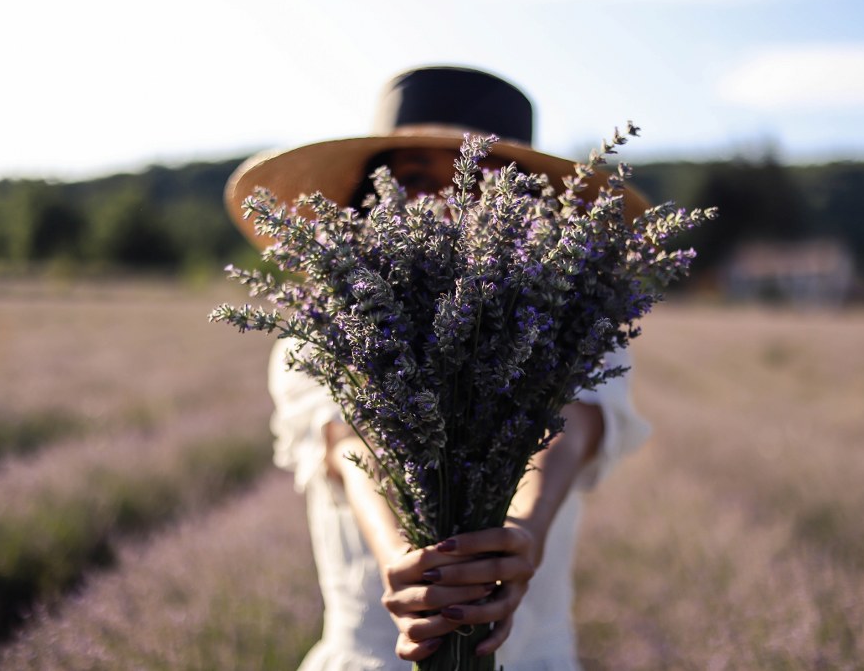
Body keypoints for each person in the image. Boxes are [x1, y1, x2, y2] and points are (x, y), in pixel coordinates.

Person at [225, 66, 652, 670]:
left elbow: (573, 430)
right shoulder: (323, 331)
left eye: (477, 183)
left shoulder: (573, 329)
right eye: (416, 180)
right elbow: (350, 440)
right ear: (370, 199)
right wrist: (404, 560)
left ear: (525, 208)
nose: (442, 201)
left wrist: (523, 532)